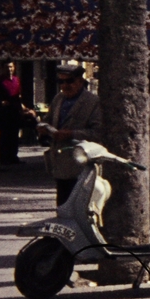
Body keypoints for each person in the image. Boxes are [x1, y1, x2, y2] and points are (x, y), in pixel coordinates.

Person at [40, 63, 103, 206]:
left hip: (81, 165)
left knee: (79, 208)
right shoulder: (58, 99)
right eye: (61, 81)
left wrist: (71, 134)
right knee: (62, 205)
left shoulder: (92, 102)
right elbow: (48, 120)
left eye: (69, 81)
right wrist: (44, 127)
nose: (65, 85)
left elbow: (98, 133)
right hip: (60, 164)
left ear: (80, 81)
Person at [0, 62, 29, 165]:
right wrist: (0, 102)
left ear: (14, 68)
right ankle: (3, 158)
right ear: (3, 68)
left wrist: (24, 108)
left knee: (14, 134)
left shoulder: (16, 80)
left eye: (10, 67)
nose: (9, 69)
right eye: (6, 67)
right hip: (4, 112)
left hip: (15, 111)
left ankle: (13, 157)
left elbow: (18, 96)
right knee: (5, 135)